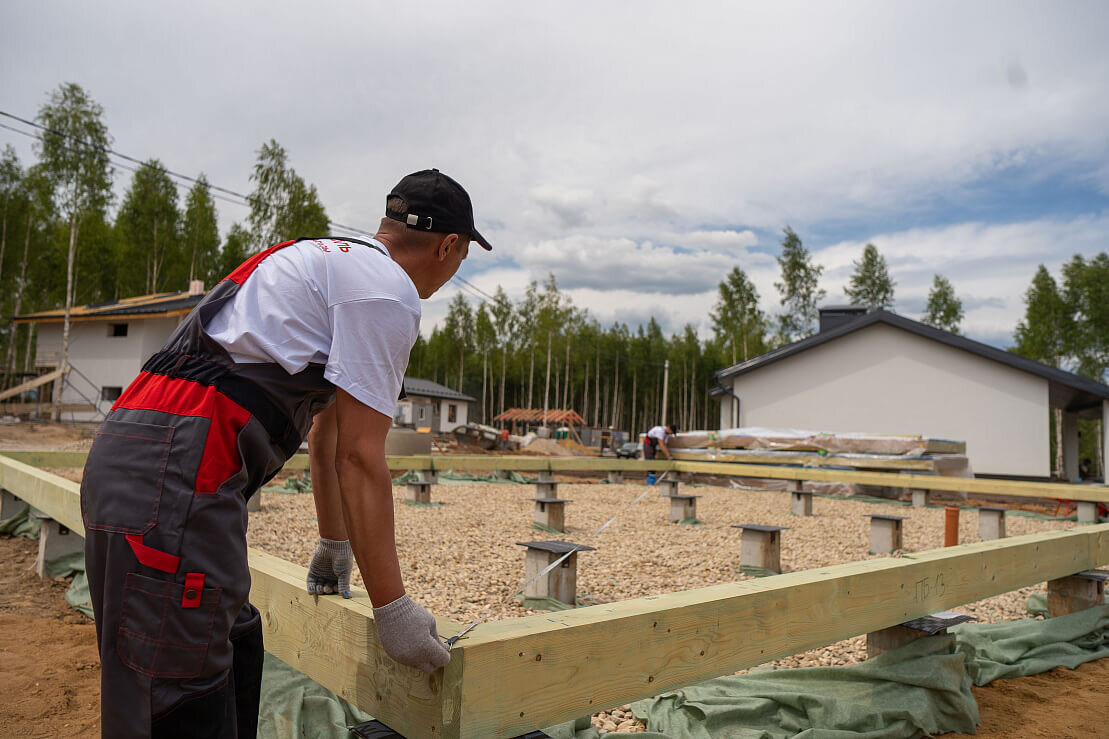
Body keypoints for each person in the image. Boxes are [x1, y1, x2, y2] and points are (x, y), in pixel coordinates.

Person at [80, 169, 492, 738]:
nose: (452, 272)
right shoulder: (387, 290)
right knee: (179, 689)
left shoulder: (324, 259)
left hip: (144, 452)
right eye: (462, 258)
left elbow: (327, 434)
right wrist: (392, 609)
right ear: (449, 246)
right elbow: (360, 457)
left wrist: (334, 546)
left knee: (229, 642)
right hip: (174, 473)